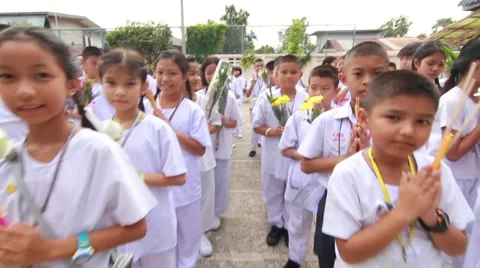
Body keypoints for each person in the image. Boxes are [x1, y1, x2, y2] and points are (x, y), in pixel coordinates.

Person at [0, 26, 156, 267]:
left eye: (41, 75)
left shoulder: (97, 151)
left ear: (71, 84)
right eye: (7, 76)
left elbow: (135, 227)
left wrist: (50, 249)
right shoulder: (8, 162)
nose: (24, 91)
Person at [323, 70, 473, 267]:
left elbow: (459, 247)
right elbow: (349, 252)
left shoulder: (436, 173)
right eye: (394, 117)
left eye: (422, 121)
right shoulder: (348, 173)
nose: (408, 131)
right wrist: (404, 212)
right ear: (364, 119)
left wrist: (430, 216)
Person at [298, 41, 389, 268]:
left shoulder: (397, 123)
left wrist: (371, 156)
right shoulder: (328, 120)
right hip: (334, 200)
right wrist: (348, 160)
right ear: (345, 78)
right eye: (358, 73)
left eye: (377, 73)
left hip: (383, 203)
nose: (368, 81)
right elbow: (306, 165)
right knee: (329, 257)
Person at [100, 48, 187, 267]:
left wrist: (136, 177)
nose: (119, 92)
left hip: (156, 225)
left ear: (144, 87)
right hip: (119, 227)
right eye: (111, 83)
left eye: (129, 84)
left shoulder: (157, 129)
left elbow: (178, 177)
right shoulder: (99, 131)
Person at [153, 50, 211, 268]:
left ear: (185, 77)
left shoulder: (192, 111)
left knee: (188, 238)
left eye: (172, 73)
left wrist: (170, 130)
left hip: (185, 185)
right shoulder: (145, 107)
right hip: (155, 185)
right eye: (160, 72)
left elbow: (199, 149)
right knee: (162, 237)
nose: (165, 79)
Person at [280, 65, 339, 268]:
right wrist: (301, 155)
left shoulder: (341, 119)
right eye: (314, 88)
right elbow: (285, 148)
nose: (318, 93)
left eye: (325, 88)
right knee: (297, 222)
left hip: (328, 183)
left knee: (327, 224)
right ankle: (296, 258)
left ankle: (325, 254)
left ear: (336, 91)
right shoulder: (298, 117)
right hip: (301, 178)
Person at [253, 54, 308, 247]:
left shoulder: (307, 99)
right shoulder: (267, 98)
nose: (288, 76)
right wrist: (272, 131)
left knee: (293, 191)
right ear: (275, 75)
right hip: (274, 153)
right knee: (273, 190)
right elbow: (256, 125)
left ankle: (290, 227)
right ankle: (276, 223)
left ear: (300, 74)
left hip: (296, 155)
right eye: (283, 72)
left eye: (293, 72)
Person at [246, 58, 265, 157]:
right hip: (254, 105)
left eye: (261, 65)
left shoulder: (267, 79)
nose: (259, 68)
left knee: (265, 126)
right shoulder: (251, 80)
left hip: (265, 105)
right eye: (257, 66)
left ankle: (263, 145)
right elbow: (247, 94)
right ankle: (253, 149)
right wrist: (252, 84)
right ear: (254, 67)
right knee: (254, 127)